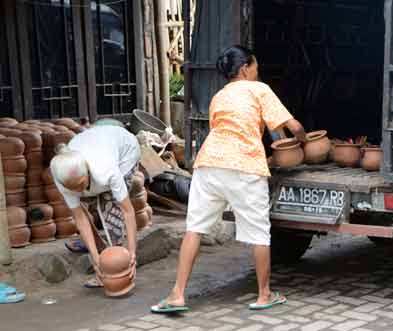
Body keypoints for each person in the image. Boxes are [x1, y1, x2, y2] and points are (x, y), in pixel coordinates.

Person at [151, 45, 307, 313]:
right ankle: (264, 294)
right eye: (256, 66)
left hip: (208, 164)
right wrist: (304, 142)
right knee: (259, 233)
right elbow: (292, 127)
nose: (258, 71)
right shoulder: (260, 90)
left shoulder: (219, 96)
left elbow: (225, 131)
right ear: (245, 68)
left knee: (195, 229)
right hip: (244, 165)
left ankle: (177, 294)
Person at [50, 125, 141, 288]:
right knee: (82, 205)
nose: (78, 190)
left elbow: (128, 211)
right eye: (73, 188)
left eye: (81, 184)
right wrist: (95, 258)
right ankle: (101, 252)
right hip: (97, 148)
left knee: (108, 205)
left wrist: (133, 252)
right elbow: (79, 217)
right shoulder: (62, 176)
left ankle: (118, 262)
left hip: (125, 150)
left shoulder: (106, 169)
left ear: (87, 171)